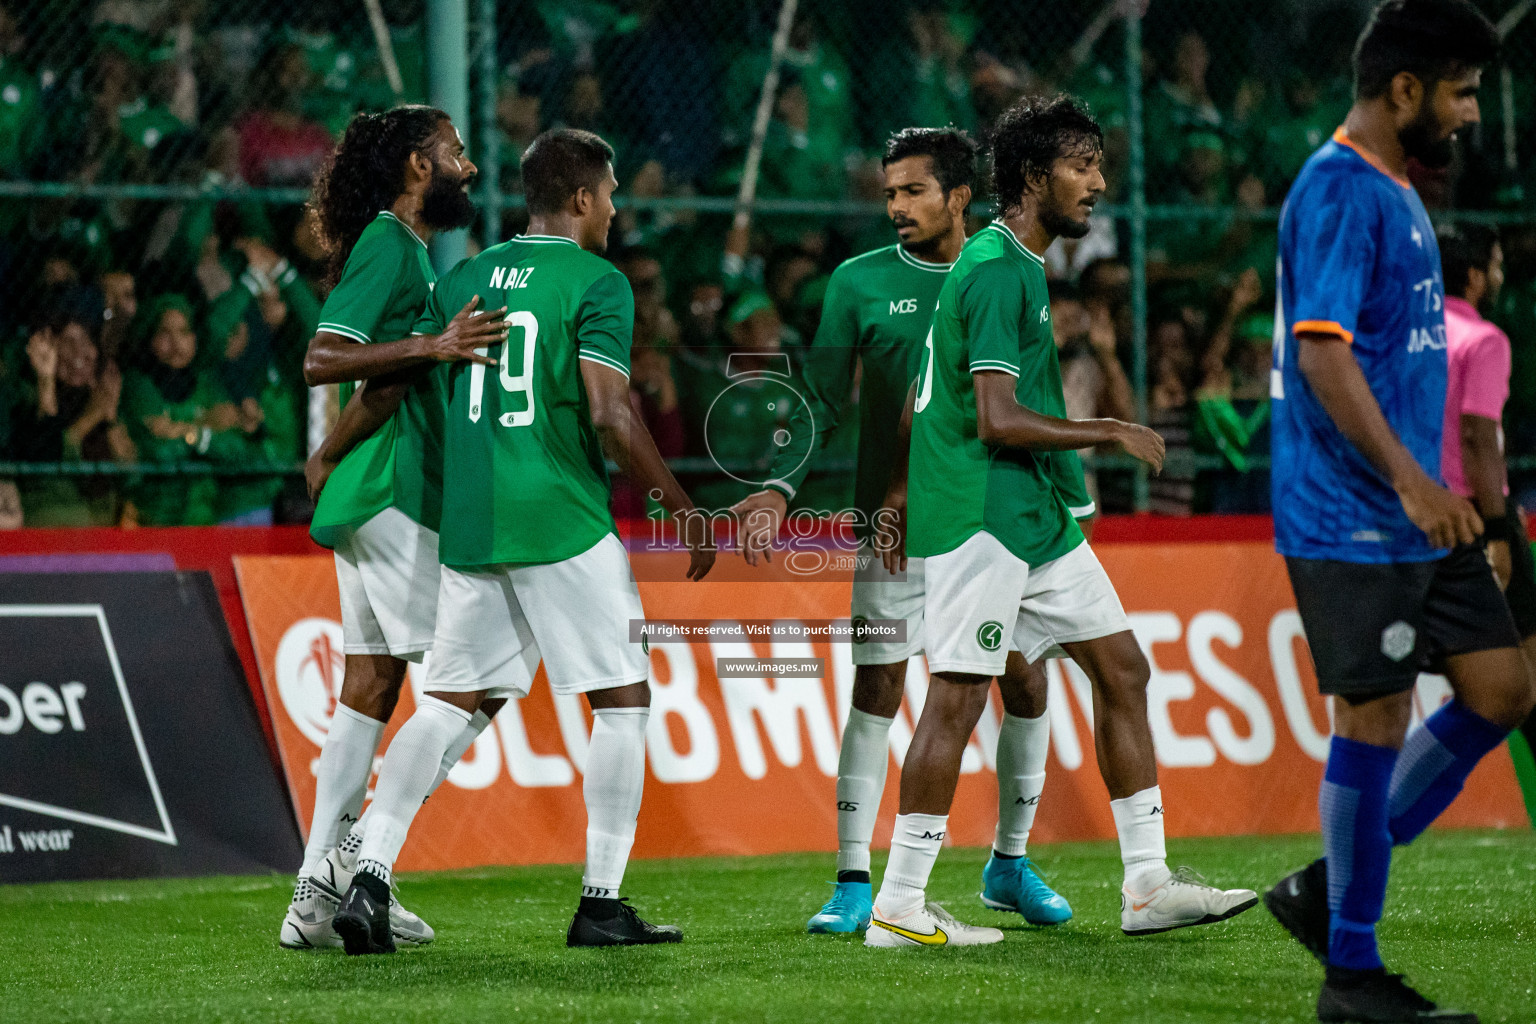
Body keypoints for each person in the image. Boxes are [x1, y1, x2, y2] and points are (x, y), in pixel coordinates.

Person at [871, 94, 1257, 949]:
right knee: (959, 698)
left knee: (1123, 669)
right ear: (1035, 176)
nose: (1099, 182)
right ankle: (897, 906)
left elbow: (919, 407)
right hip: (983, 513)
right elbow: (995, 417)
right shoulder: (1000, 268)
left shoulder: (1008, 264)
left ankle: (1148, 883)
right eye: (1082, 165)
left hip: (1030, 511)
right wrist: (1109, 430)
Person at [331, 128, 717, 955]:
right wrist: (680, 504)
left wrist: (330, 449)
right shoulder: (597, 281)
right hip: (561, 517)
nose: (615, 208)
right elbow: (612, 412)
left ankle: (367, 877)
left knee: (444, 704)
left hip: (472, 524)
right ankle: (602, 902)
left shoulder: (465, 275)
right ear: (580, 198)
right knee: (622, 701)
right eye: (609, 192)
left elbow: (394, 381)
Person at [732, 127, 1089, 936]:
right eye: (889, 192)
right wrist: (780, 489)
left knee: (1026, 681)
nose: (895, 206)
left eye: (913, 191)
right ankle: (853, 878)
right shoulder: (858, 284)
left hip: (997, 525)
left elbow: (1032, 401)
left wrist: (1071, 502)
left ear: (960, 196)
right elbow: (822, 402)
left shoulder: (1001, 273)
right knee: (879, 689)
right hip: (892, 535)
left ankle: (1010, 862)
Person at [1260, 5, 1533, 1022]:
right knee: (1373, 716)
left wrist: (1437, 489)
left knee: (1504, 688)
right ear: (1406, 90)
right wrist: (1417, 484)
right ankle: (1353, 976)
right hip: (1354, 514)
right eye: (1460, 90)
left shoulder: (1398, 190)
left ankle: (1329, 888)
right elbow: (1322, 352)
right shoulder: (1338, 188)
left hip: (1421, 512)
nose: (1469, 112)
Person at [278, 105, 509, 951]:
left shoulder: (406, 250)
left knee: (369, 691)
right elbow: (323, 359)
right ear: (419, 165)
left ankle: (312, 899)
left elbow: (381, 389)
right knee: (480, 683)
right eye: (455, 151)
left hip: (363, 495)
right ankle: (352, 861)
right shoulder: (386, 242)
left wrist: (327, 455)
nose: (469, 166)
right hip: (394, 502)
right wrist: (438, 346)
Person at [1436, 224, 1536, 759]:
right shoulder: (1485, 340)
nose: (1498, 276)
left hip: (1424, 511)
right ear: (1475, 277)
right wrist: (1498, 529)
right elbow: (1478, 435)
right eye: (1494, 266)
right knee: (1518, 683)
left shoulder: (1414, 335)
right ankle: (1389, 814)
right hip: (1479, 512)